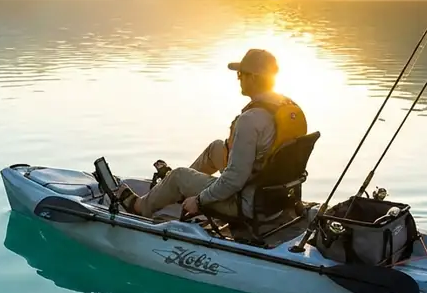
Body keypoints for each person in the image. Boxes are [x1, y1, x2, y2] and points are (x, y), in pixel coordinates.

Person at [116, 48, 307, 219]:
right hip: (274, 195)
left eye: (241, 74)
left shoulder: (250, 120)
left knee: (178, 175)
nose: (238, 78)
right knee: (216, 148)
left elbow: (234, 180)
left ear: (254, 78)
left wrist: (199, 201)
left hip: (248, 203)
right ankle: (176, 192)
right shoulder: (288, 109)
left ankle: (140, 206)